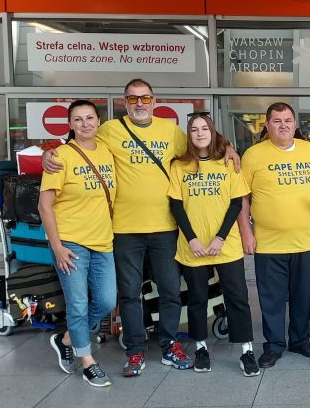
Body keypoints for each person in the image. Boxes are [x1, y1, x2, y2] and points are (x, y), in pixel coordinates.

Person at [43, 79, 192, 377]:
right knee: (128, 294)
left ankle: (169, 346)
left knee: (170, 290)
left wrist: (229, 149)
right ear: (124, 102)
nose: (139, 104)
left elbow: (202, 146)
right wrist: (49, 150)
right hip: (123, 229)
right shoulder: (110, 130)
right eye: (133, 99)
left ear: (154, 100)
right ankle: (135, 351)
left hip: (165, 226)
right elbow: (77, 145)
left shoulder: (170, 131)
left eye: (145, 98)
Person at [168, 113, 259, 376]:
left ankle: (246, 351)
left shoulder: (228, 163)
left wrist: (220, 237)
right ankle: (200, 347)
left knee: (238, 298)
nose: (199, 133)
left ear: (212, 131)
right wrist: (192, 239)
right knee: (197, 299)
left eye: (204, 128)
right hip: (192, 246)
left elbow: (236, 203)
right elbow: (176, 205)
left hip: (225, 245)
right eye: (194, 129)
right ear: (189, 134)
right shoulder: (179, 166)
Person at [39, 100, 116, 388]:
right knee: (78, 304)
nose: (85, 124)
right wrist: (57, 246)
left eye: (90, 118)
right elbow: (45, 205)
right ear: (70, 125)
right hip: (71, 243)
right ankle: (87, 362)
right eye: (78, 120)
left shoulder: (107, 149)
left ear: (99, 122)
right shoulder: (61, 156)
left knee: (107, 300)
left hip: (103, 240)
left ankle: (67, 337)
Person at [240, 102, 310, 368]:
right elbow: (243, 198)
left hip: (305, 240)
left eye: (288, 120)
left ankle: (299, 340)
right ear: (267, 124)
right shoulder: (253, 155)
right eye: (277, 121)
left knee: (302, 295)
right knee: (271, 299)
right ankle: (274, 345)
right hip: (268, 242)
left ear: (295, 123)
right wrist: (246, 232)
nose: (283, 125)